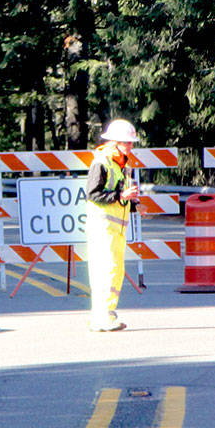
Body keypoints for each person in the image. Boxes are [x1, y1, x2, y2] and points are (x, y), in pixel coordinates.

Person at [86, 119, 140, 332]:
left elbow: (119, 195)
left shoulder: (122, 163)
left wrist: (133, 205)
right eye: (127, 142)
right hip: (103, 225)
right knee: (108, 270)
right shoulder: (103, 162)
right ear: (115, 142)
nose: (131, 146)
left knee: (111, 270)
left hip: (115, 226)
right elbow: (92, 193)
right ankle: (105, 315)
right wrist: (121, 195)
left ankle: (100, 316)